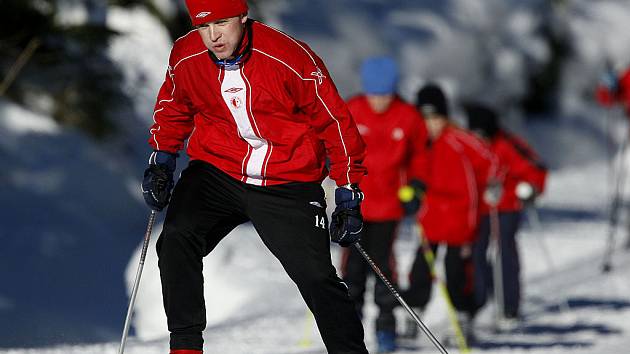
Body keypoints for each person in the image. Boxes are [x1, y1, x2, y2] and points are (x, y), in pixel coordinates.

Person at [140, 1, 370, 353]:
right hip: (218, 169)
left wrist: (348, 191)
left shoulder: (288, 58)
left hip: (286, 180)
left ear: (243, 17)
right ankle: (185, 347)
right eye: (204, 27)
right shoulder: (186, 56)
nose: (213, 36)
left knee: (316, 278)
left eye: (222, 22)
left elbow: (334, 122)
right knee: (175, 238)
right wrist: (162, 159)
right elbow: (175, 107)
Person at [340, 57, 428, 353]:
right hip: (354, 205)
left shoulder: (408, 116)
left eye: (385, 95)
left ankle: (386, 328)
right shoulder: (352, 109)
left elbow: (420, 157)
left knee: (383, 271)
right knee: (351, 272)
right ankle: (348, 332)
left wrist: (417, 186)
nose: (379, 102)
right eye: (374, 95)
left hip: (390, 207)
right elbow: (333, 147)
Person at [402, 84, 496, 344]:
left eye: (436, 118)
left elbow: (489, 160)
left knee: (456, 273)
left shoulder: (459, 139)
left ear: (445, 116)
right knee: (421, 269)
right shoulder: (417, 145)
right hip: (430, 218)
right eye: (425, 118)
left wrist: (490, 186)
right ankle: (413, 313)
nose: (431, 124)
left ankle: (464, 315)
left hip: (459, 220)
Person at [464, 103, 547, 331]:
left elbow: (535, 169)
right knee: (476, 253)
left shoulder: (508, 144)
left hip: (508, 205)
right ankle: (479, 300)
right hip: (480, 208)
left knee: (504, 250)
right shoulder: (466, 146)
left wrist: (529, 188)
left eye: (484, 135)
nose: (481, 140)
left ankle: (509, 305)